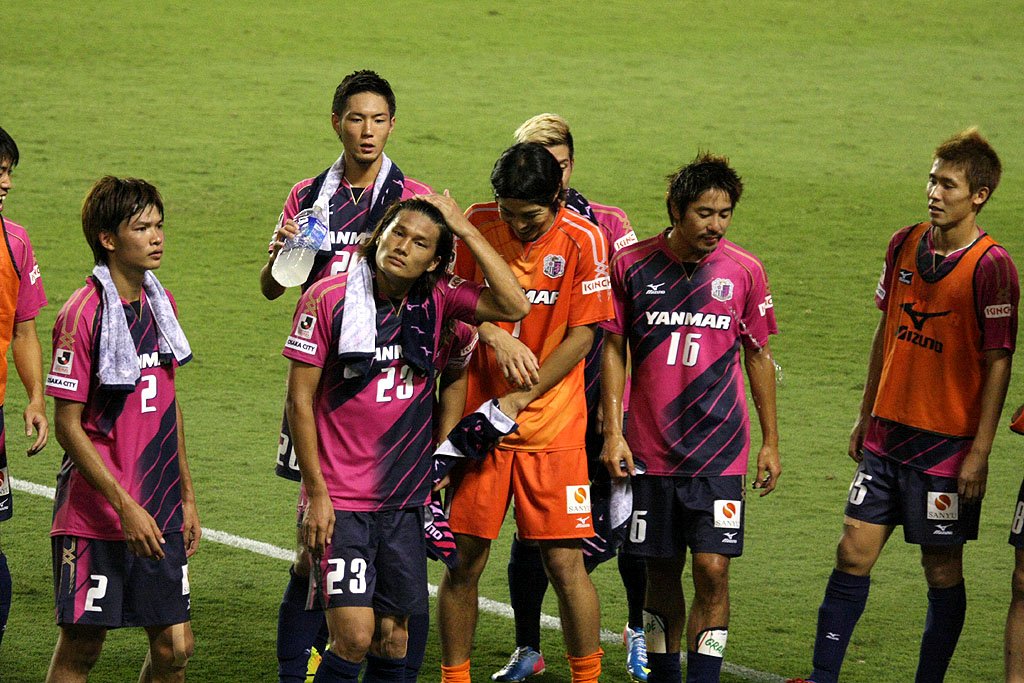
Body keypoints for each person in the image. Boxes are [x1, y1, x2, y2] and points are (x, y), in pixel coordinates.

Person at [789, 128, 1018, 683]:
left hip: (946, 449)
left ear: (979, 195)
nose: (934, 193)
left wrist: (980, 452)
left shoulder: (992, 266)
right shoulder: (904, 243)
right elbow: (885, 329)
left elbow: (999, 362)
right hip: (887, 436)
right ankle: (822, 677)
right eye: (932, 180)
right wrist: (866, 411)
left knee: (941, 569)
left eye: (948, 184)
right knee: (852, 553)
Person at [284, 195, 528, 683]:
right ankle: (291, 671)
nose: (402, 247)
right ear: (379, 234)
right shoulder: (328, 298)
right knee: (354, 636)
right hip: (342, 498)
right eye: (397, 232)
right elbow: (299, 401)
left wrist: (466, 230)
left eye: (420, 243)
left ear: (435, 261)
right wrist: (316, 492)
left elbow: (514, 304)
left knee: (393, 640)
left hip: (404, 499)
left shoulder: (440, 300)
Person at [260, 70, 433, 683]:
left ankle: (367, 655)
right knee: (312, 546)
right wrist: (286, 252)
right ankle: (294, 669)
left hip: (385, 384)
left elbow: (441, 290)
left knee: (388, 568)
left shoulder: (410, 200)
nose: (367, 131)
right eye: (356, 119)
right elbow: (272, 287)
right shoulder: (310, 196)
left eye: (378, 120)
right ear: (336, 122)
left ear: (392, 125)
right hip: (321, 381)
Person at [601, 153, 780, 683]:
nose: (716, 225)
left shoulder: (744, 270)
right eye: (705, 213)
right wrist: (613, 431)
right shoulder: (631, 265)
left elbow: (758, 355)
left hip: (719, 451)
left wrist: (771, 441)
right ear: (676, 209)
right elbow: (613, 349)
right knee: (660, 570)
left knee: (712, 568)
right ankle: (664, 676)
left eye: (725, 214)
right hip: (649, 450)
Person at [438, 142, 612, 683]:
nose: (517, 226)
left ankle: (586, 678)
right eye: (508, 213)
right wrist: (494, 335)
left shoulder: (584, 238)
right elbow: (450, 300)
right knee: (464, 561)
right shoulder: (475, 224)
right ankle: (454, 678)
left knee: (565, 564)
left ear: (557, 195)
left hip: (552, 427)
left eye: (530, 216)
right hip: (481, 427)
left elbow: (584, 335)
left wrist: (521, 396)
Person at [491, 114, 647, 683]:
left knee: (627, 519)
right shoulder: (505, 221)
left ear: (569, 167)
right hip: (532, 404)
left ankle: (637, 631)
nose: (548, 171)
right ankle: (528, 646)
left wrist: (614, 415)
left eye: (556, 162)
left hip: (591, 398)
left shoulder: (607, 224)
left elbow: (618, 323)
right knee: (533, 534)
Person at [44, 176, 200, 682]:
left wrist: (186, 496)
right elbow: (68, 426)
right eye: (142, 228)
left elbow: (168, 404)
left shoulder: (161, 305)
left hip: (159, 504)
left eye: (159, 225)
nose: (157, 237)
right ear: (108, 239)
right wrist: (124, 506)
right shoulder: (81, 315)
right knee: (83, 647)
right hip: (96, 513)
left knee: (174, 648)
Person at [0, 125, 49, 649]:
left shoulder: (15, 243)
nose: (6, 183)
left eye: (9, 172)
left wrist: (35, 397)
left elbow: (24, 330)